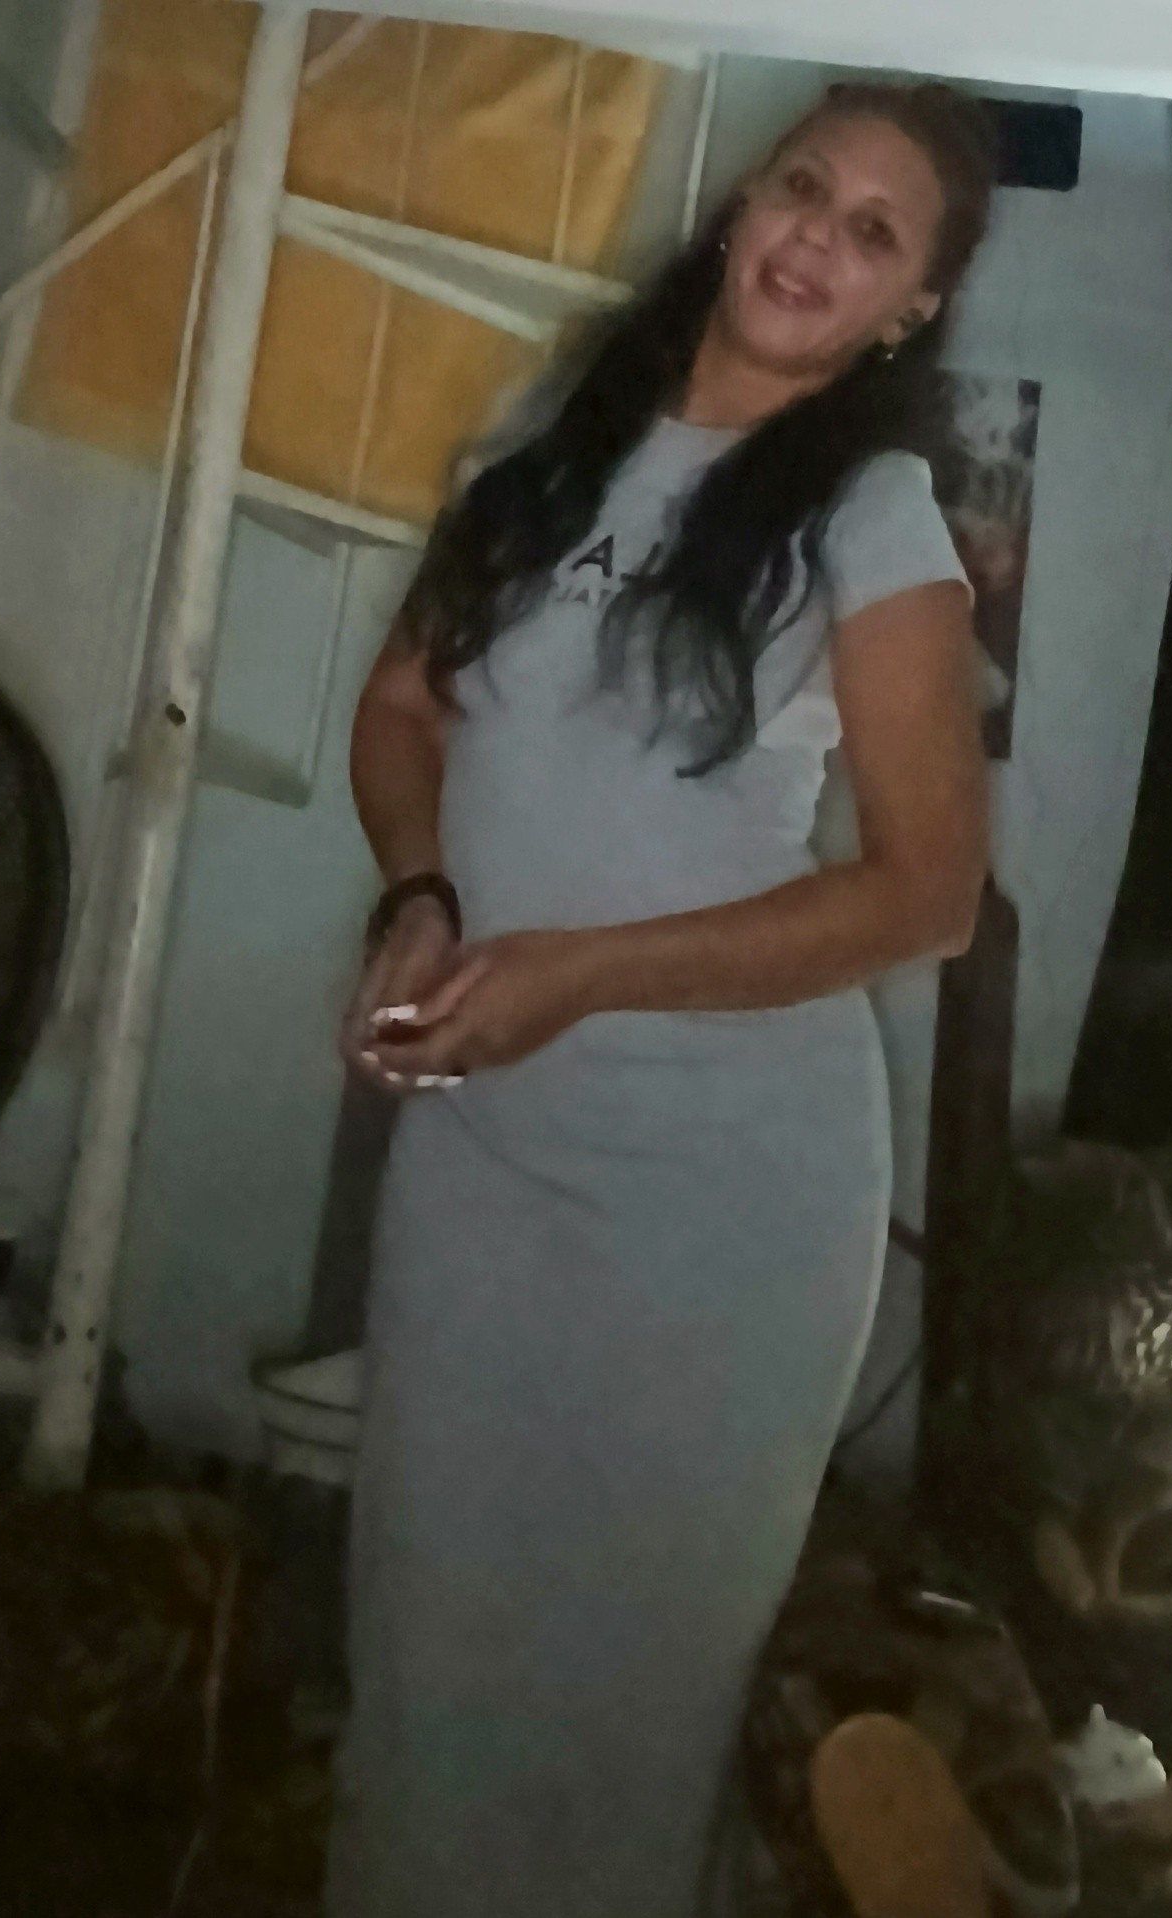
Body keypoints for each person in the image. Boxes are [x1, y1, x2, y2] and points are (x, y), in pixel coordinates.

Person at [329, 79, 994, 1918]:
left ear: (911, 308)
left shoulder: (870, 508)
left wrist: (585, 971)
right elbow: (402, 708)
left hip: (725, 1201)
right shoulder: (553, 439)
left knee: (623, 1702)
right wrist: (421, 894)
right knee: (426, 1648)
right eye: (804, 189)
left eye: (875, 233)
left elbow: (928, 892)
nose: (816, 240)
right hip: (487, 1142)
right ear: (741, 204)